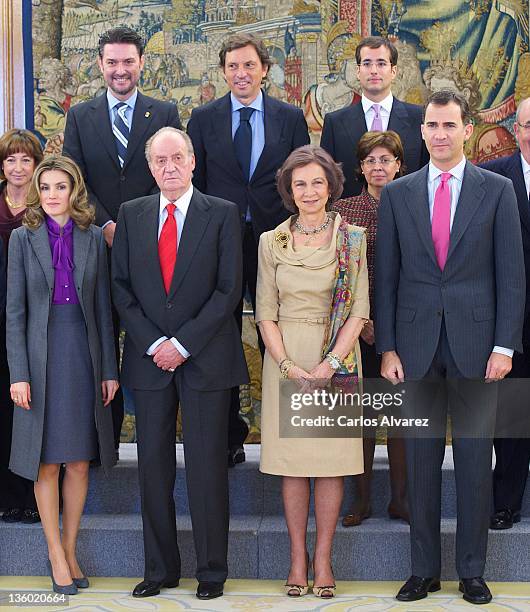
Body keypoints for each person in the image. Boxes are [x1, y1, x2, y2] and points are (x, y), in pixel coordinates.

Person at [375, 90, 525, 605]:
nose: (439, 134)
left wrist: (505, 345)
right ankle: (423, 571)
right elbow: (387, 278)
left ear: (466, 129)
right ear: (422, 132)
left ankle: (471, 572)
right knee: (418, 462)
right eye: (432, 125)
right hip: (414, 347)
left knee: (474, 462)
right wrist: (388, 347)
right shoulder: (398, 194)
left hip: (479, 347)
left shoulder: (498, 190)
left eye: (449, 125)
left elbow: (512, 276)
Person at [111, 127, 248, 601]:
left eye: (177, 158)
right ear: (150, 167)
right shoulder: (132, 215)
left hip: (205, 358)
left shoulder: (222, 214)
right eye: (159, 160)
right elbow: (122, 290)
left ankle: (211, 570)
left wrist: (182, 343)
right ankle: (160, 568)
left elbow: (229, 290)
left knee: (207, 467)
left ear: (193, 162)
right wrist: (155, 344)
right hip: (151, 362)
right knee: (153, 468)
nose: (168, 167)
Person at [187, 33, 310, 467]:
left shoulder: (289, 117)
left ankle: (289, 434)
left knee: (280, 334)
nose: (241, 73)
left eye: (249, 66)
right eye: (233, 66)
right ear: (223, 71)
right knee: (219, 339)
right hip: (217, 244)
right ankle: (229, 437)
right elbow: (194, 186)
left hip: (275, 243)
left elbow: (302, 177)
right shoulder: (202, 119)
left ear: (264, 69)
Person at [256, 145, 369, 599]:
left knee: (328, 466)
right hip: (285, 359)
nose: (308, 191)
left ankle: (323, 559)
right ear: (288, 189)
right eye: (299, 183)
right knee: (294, 467)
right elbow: (265, 312)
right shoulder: (272, 241)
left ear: (331, 187)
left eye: (317, 182)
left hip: (336, 358)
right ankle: (296, 559)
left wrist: (328, 365)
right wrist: (287, 365)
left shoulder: (352, 239)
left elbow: (359, 311)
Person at [63, 26, 182, 453]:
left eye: (128, 61)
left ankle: (158, 440)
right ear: (100, 65)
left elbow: (171, 176)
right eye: (112, 62)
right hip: (95, 246)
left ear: (141, 63)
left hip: (151, 249)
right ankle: (103, 443)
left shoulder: (164, 112)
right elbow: (75, 179)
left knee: (149, 335)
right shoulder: (80, 116)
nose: (120, 70)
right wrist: (107, 223)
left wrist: (130, 226)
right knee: (99, 341)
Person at [6, 155, 119, 595]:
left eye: (61, 187)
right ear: (38, 191)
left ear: (75, 192)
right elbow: (14, 311)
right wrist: (19, 373)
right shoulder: (21, 238)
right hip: (39, 355)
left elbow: (104, 312)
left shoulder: (92, 239)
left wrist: (110, 368)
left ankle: (71, 549)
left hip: (83, 353)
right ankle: (54, 552)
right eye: (46, 187)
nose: (53, 195)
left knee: (78, 460)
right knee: (47, 460)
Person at [333, 130, 408, 526]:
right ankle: (360, 501)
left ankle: (401, 499)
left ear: (399, 165)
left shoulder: (414, 202)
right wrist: (361, 322)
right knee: (359, 418)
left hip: (405, 328)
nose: (379, 167)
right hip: (356, 331)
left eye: (386, 159)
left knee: (399, 418)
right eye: (371, 160)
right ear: (361, 168)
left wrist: (392, 324)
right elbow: (341, 273)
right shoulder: (344, 211)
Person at [480, 97, 530, 530]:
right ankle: (505, 502)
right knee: (512, 417)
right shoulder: (496, 179)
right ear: (516, 130)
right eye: (529, 125)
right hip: (513, 322)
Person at [320, 36, 428, 198]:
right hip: (351, 217)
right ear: (358, 71)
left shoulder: (418, 118)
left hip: (407, 215)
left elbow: (426, 173)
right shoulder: (335, 123)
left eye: (381, 63)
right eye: (367, 63)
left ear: (393, 71)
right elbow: (327, 178)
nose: (374, 70)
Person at [0, 129, 43, 525]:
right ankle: (6, 496)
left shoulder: (44, 207)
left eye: (26, 160)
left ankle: (33, 497)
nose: (18, 167)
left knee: (28, 411)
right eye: (11, 159)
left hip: (33, 322)